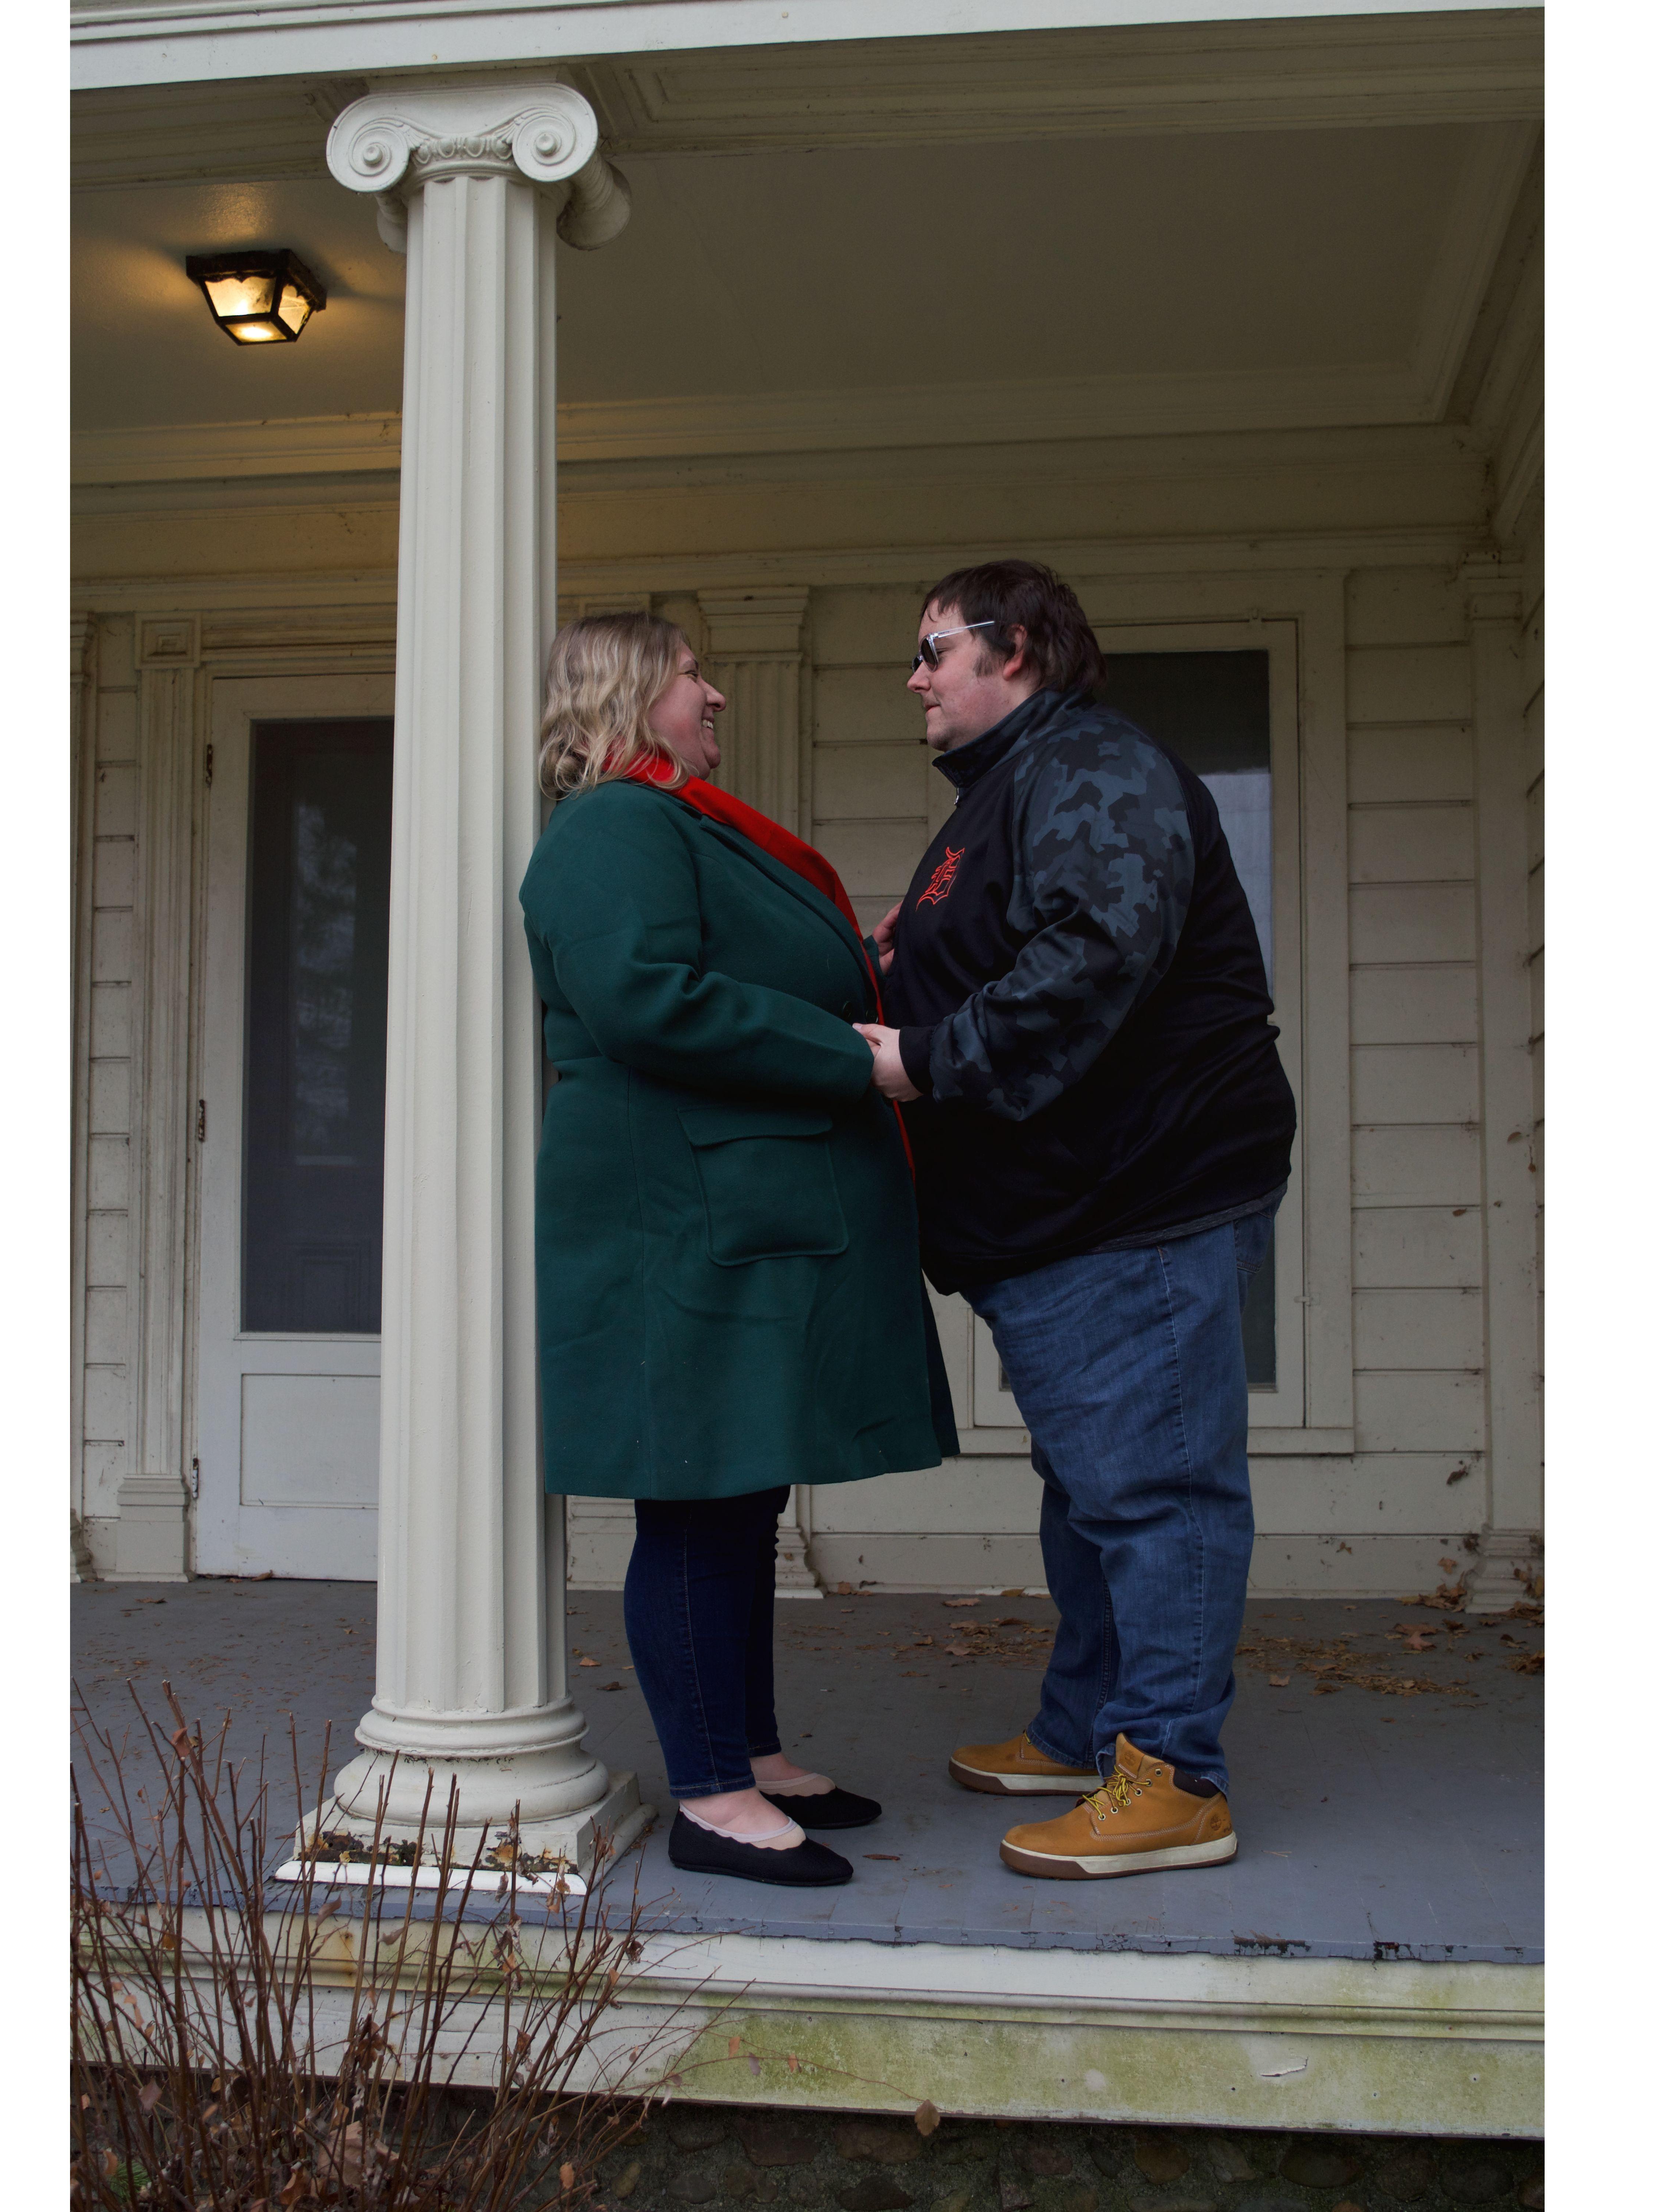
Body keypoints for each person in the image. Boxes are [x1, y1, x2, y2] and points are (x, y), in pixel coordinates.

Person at [852, 559, 1296, 1881]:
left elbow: (1100, 948)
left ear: (1019, 649)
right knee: (1093, 1489)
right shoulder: (1012, 788)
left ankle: (1173, 1779)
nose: (915, 677)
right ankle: (1085, 1730)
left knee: (1154, 1492)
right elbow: (1008, 941)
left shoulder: (1092, 765)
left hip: (1136, 1198)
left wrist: (922, 1057)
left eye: (935, 648)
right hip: (1064, 1213)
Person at [520, 612, 957, 1891]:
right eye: (692, 677)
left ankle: (748, 1754)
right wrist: (852, 1055)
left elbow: (726, 971)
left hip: (732, 1211)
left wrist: (860, 968)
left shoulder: (677, 823)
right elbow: (645, 1000)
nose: (715, 696)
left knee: (739, 1493)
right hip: (681, 1219)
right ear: (628, 696)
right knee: (698, 1498)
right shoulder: (613, 825)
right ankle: (712, 1797)